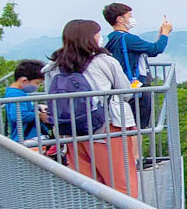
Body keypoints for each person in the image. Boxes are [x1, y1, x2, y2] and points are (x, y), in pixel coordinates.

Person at [43, 19, 139, 198]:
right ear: (90, 38)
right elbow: (125, 92)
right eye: (97, 34)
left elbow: (50, 96)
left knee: (88, 184)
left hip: (71, 131)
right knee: (121, 181)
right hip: (107, 128)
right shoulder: (104, 62)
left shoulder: (53, 66)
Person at [102, 3, 172, 128]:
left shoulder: (114, 38)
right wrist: (165, 33)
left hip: (124, 87)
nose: (132, 19)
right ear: (120, 19)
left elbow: (148, 50)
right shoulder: (129, 39)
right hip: (136, 87)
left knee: (130, 127)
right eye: (129, 16)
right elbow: (156, 49)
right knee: (138, 127)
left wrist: (161, 34)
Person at [4, 59, 50, 143]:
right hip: (28, 138)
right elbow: (18, 115)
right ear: (24, 80)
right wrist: (39, 115)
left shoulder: (16, 93)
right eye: (37, 83)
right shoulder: (16, 94)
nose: (37, 86)